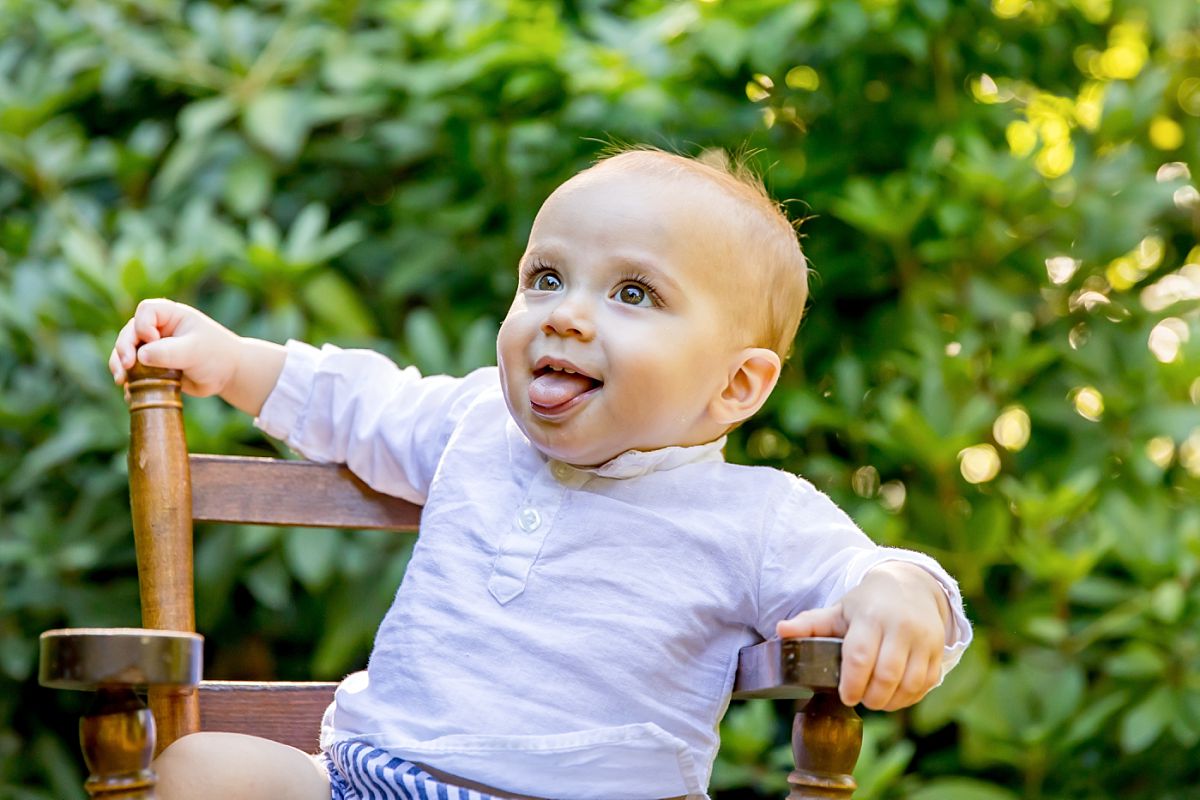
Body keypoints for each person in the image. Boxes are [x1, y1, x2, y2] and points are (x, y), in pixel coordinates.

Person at [109, 147, 971, 800]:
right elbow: (362, 404)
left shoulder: (753, 513)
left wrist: (898, 592)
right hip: (374, 777)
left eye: (634, 293)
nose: (567, 314)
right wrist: (231, 361)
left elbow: (860, 571)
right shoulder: (477, 424)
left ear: (735, 385)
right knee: (200, 767)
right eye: (546, 277)